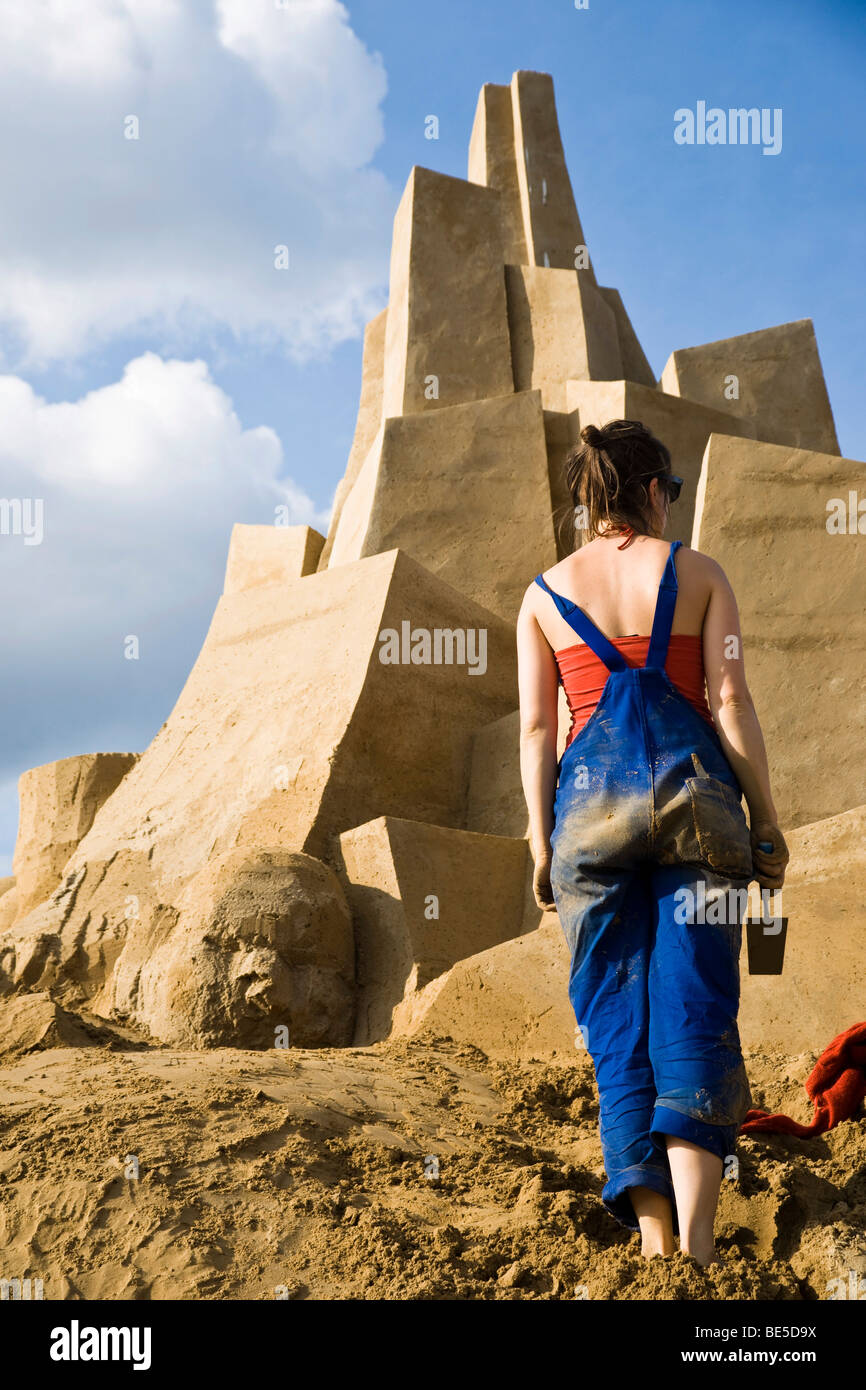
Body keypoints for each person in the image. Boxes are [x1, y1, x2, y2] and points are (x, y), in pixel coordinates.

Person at [516, 418, 789, 1266]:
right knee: (695, 1010)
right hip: (697, 810)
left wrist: (537, 841)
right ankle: (703, 1241)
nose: (674, 505)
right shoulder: (700, 574)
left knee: (614, 1020)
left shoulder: (542, 594)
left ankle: (654, 1239)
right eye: (670, 491)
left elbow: (536, 730)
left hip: (589, 821)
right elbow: (731, 700)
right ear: (653, 490)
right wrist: (767, 821)